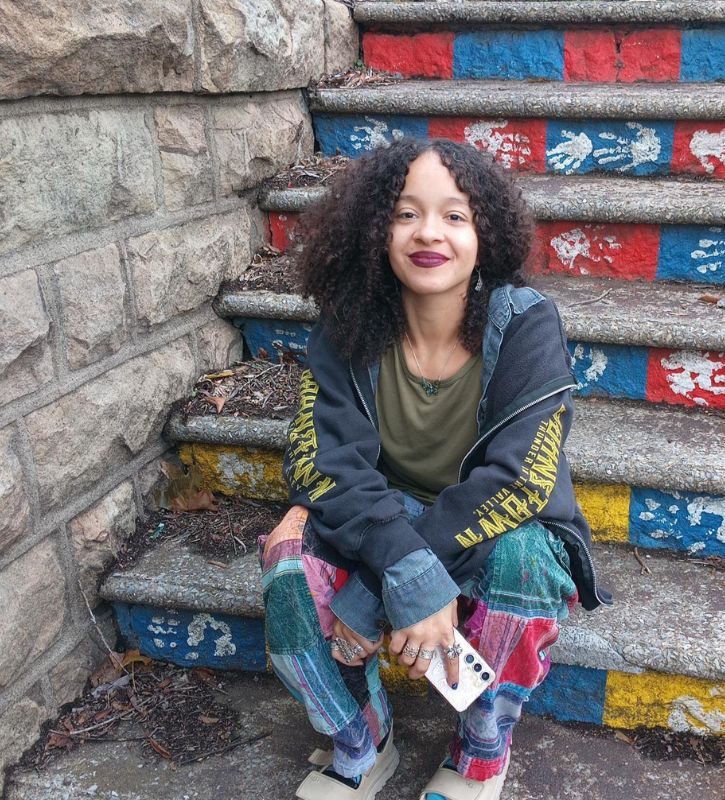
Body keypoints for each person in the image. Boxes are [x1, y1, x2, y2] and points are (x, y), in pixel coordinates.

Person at [258, 137, 611, 800]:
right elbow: (319, 460)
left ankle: (481, 751)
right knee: (288, 564)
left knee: (525, 563)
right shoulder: (347, 326)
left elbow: (521, 480)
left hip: (487, 526)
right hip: (381, 517)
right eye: (404, 214)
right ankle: (362, 743)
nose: (428, 233)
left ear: (485, 235)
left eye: (454, 215)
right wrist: (405, 569)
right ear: (374, 230)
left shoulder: (526, 325)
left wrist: (382, 587)